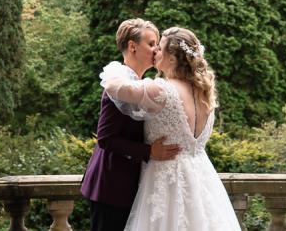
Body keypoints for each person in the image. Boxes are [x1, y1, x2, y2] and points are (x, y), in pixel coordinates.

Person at [101, 25, 240, 230]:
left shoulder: (163, 89)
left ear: (172, 57)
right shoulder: (204, 94)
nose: (156, 50)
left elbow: (115, 87)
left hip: (165, 182)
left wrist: (116, 68)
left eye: (160, 47)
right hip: (201, 179)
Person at [80, 18, 181, 231]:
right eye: (151, 44)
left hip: (132, 185)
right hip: (111, 186)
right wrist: (149, 151)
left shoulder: (139, 86)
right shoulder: (119, 85)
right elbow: (106, 138)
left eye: (156, 45)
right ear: (133, 46)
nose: (156, 50)